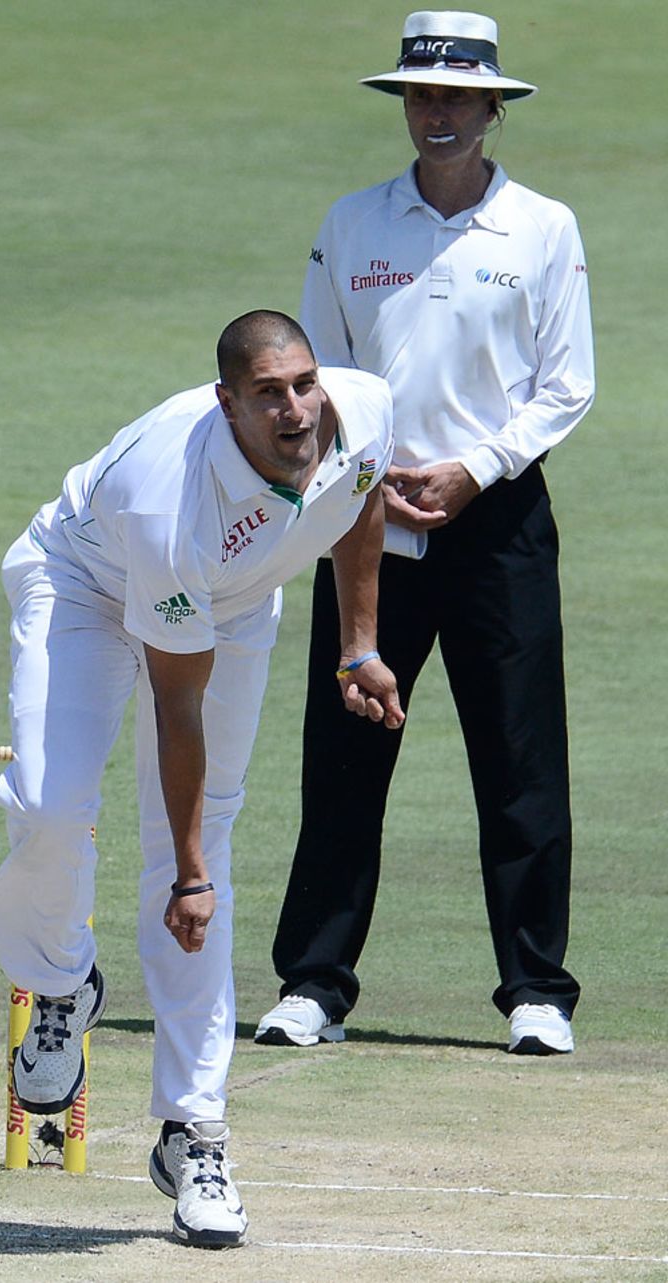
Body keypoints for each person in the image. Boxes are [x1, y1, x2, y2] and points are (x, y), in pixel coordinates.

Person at [0, 310, 404, 1249]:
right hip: (85, 586)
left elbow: (361, 501)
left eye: (302, 384)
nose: (296, 409)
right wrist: (186, 872)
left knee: (208, 842)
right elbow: (177, 709)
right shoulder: (168, 504)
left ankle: (193, 1131)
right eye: (268, 395)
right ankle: (60, 987)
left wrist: (358, 647)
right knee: (55, 809)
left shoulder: (366, 407)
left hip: (236, 601)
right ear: (228, 405)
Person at [256, 13, 595, 1057]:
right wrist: (369, 476)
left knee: (521, 759)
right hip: (370, 522)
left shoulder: (543, 228)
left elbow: (567, 387)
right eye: (420, 96)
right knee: (347, 754)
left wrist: (471, 468)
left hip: (499, 524)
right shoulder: (355, 222)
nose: (436, 114)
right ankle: (314, 983)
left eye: (455, 98)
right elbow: (312, 383)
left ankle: (536, 988)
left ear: (494, 108)